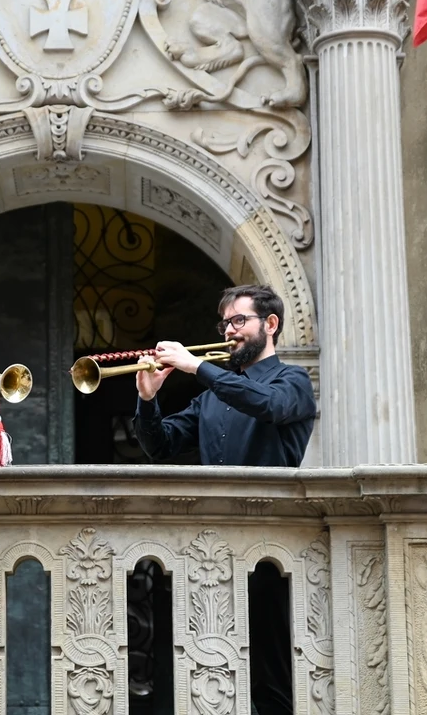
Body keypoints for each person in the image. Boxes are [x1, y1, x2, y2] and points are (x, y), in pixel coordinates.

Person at [133, 283, 317, 715]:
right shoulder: (213, 394)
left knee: (271, 679)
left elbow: (267, 405)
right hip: (212, 548)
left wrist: (197, 367)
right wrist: (147, 399)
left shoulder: (292, 380)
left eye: (239, 321)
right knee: (210, 671)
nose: (229, 331)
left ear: (270, 325)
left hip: (273, 545)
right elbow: (160, 446)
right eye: (225, 323)